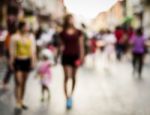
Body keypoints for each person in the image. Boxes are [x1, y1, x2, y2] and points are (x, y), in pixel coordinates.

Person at [59, 14, 85, 109]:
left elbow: (81, 45)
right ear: (66, 20)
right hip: (66, 56)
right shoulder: (62, 32)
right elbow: (60, 45)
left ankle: (71, 95)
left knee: (73, 77)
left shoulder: (78, 32)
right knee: (66, 77)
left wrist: (82, 57)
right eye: (70, 19)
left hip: (75, 57)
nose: (71, 20)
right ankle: (67, 97)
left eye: (72, 19)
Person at [10, 21, 36, 110]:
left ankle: (21, 100)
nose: (27, 28)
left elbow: (33, 50)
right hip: (18, 61)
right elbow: (12, 50)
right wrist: (11, 62)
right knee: (18, 81)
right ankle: (17, 101)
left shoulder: (31, 37)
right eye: (26, 26)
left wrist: (33, 61)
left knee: (24, 83)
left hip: (27, 61)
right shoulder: (14, 37)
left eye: (28, 26)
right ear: (21, 27)